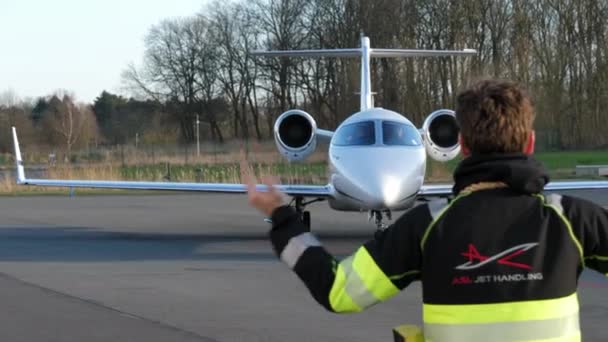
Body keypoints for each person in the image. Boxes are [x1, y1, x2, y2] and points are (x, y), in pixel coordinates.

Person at [244, 79, 608, 341]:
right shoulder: (574, 220)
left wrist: (282, 218)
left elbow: (338, 291)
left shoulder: (427, 226)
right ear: (529, 142)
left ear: (462, 145)